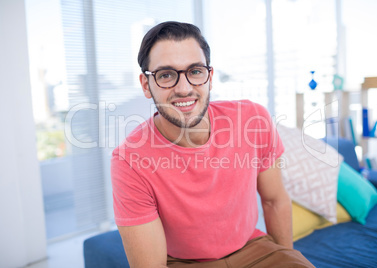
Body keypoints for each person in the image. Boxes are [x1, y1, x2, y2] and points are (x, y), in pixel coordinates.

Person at [111, 21, 314, 268]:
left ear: (210, 77)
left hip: (254, 248)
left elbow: (274, 200)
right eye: (166, 75)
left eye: (195, 71)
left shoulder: (254, 120)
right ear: (146, 85)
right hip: (183, 262)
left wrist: (286, 258)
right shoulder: (129, 160)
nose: (184, 89)